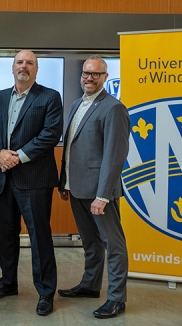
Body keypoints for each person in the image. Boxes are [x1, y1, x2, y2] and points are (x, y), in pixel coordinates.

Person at [0, 50, 63, 316]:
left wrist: (18, 157)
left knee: (40, 237)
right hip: (4, 178)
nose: (24, 66)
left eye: (30, 63)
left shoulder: (49, 97)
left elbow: (50, 134)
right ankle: (8, 283)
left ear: (37, 69)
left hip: (35, 180)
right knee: (6, 236)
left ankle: (45, 291)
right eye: (20, 62)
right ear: (12, 67)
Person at [58, 55, 129, 319]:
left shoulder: (113, 108)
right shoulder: (77, 103)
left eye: (96, 74)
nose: (89, 78)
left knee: (113, 244)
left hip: (99, 193)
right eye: (86, 73)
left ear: (105, 77)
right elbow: (72, 148)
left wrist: (103, 195)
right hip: (77, 188)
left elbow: (115, 155)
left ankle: (117, 299)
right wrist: (64, 182)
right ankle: (90, 285)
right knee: (90, 242)